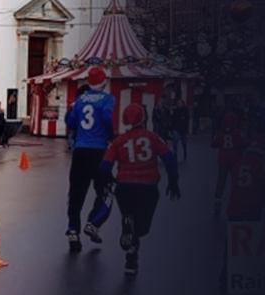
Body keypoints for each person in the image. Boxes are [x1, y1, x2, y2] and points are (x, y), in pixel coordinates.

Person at [99, 103, 181, 276]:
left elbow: (104, 166)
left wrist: (108, 180)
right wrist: (173, 181)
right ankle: (132, 249)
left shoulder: (118, 141)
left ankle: (131, 260)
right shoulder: (153, 138)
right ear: (144, 118)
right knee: (142, 227)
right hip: (147, 187)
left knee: (130, 218)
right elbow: (169, 159)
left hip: (125, 187)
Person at [62, 66, 115, 252]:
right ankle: (94, 222)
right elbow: (108, 118)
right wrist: (111, 135)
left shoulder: (79, 101)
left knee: (76, 193)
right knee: (106, 191)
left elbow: (69, 122)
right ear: (104, 81)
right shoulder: (108, 100)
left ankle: (73, 230)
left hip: (80, 151)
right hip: (100, 152)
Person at [212, 109, 245, 218]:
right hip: (235, 159)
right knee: (236, 182)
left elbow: (214, 144)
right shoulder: (237, 132)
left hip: (223, 159)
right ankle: (238, 203)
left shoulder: (221, 133)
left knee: (221, 181)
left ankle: (218, 202)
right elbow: (243, 144)